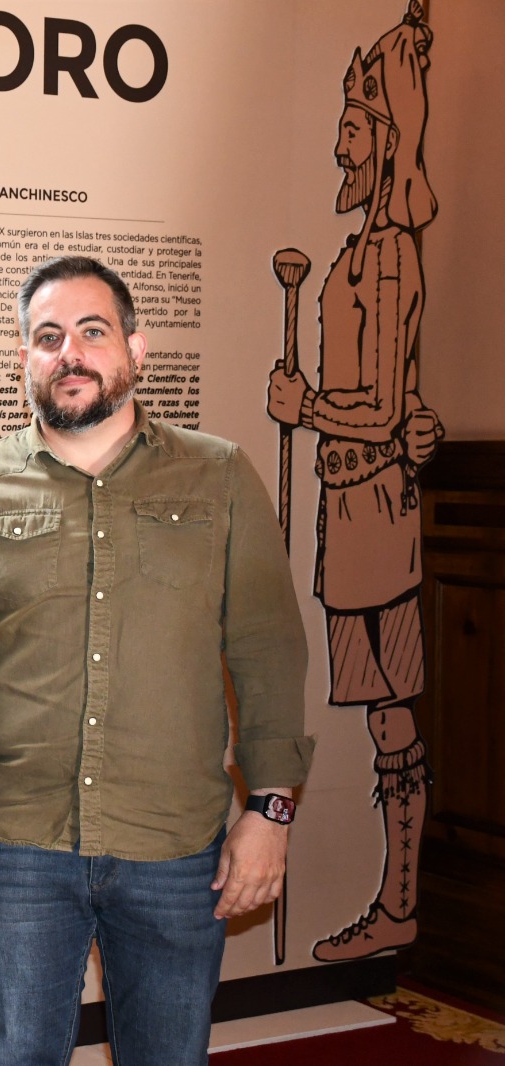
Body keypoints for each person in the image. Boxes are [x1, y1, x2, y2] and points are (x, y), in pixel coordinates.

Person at [0, 255, 314, 1064]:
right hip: (14, 849)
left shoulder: (218, 474)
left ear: (135, 349)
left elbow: (266, 646)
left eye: (93, 332)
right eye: (48, 337)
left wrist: (272, 810)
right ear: (25, 358)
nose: (71, 353)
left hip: (173, 847)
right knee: (18, 1055)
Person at [267, 0, 442, 961]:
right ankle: (397, 902)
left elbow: (378, 407)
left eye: (353, 121)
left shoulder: (388, 258)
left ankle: (400, 903)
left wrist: (303, 408)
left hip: (376, 500)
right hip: (350, 502)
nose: (339, 138)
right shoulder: (355, 253)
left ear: (385, 136)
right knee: (381, 712)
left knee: (390, 714)